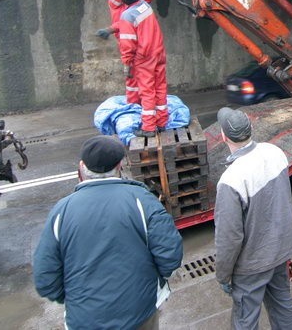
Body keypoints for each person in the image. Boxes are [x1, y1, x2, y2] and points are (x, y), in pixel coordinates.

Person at [33, 135, 183, 330]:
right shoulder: (141, 201)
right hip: (139, 312)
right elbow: (170, 255)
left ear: (81, 167)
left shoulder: (61, 212)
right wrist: (150, 282)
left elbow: (45, 278)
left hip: (84, 320)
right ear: (120, 166)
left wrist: (76, 299)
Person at [213, 107, 292, 329]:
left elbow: (229, 237)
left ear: (224, 136)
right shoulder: (275, 152)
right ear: (251, 129)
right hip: (280, 252)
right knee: (283, 304)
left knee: (245, 319)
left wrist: (223, 275)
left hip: (252, 264)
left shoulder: (231, 179)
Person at [96, 0, 154, 105]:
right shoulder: (120, 5)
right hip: (134, 45)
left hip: (138, 46)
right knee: (135, 77)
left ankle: (140, 105)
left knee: (137, 77)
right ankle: (138, 105)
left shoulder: (130, 5)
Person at [116, 0, 168, 137]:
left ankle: (149, 127)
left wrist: (127, 64)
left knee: (147, 92)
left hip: (144, 58)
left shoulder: (127, 16)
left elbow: (127, 44)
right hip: (158, 52)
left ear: (124, 1)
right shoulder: (145, 5)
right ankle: (162, 122)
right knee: (160, 87)